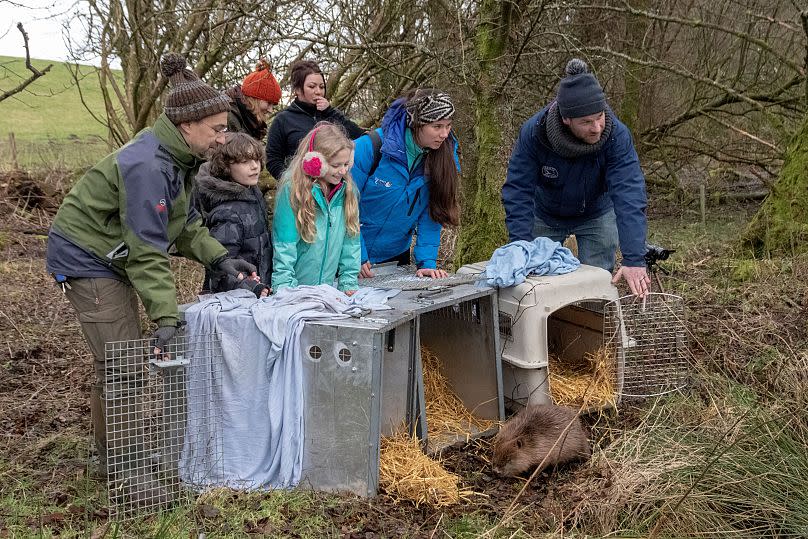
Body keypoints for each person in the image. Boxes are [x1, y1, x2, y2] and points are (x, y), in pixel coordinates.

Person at [45, 53, 257, 487]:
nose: (223, 139)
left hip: (113, 252)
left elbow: (182, 226)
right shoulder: (148, 166)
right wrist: (165, 316)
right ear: (187, 126)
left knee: (115, 362)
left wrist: (220, 258)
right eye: (217, 129)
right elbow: (147, 248)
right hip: (87, 256)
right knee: (123, 363)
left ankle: (111, 457)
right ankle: (127, 469)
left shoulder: (176, 160)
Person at [501, 58, 650, 297]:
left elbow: (629, 193)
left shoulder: (617, 137)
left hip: (596, 212)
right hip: (546, 213)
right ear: (566, 119)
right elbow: (518, 189)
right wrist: (520, 244)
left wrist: (634, 257)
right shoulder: (535, 133)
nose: (597, 128)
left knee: (596, 282)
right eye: (586, 122)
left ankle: (593, 326)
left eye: (600, 117)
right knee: (539, 284)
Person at [351, 89, 460, 278]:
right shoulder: (369, 148)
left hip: (395, 257)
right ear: (416, 124)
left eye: (448, 125)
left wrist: (426, 262)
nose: (444, 134)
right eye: (437, 126)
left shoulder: (443, 158)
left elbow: (432, 214)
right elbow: (343, 205)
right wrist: (355, 254)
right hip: (348, 254)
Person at [271, 122, 360, 293]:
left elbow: (351, 242)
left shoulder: (347, 191)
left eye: (346, 164)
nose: (342, 171)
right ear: (315, 162)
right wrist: (284, 288)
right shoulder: (293, 190)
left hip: (326, 290)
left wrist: (348, 282)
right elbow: (284, 244)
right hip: (295, 289)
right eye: (335, 165)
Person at [195, 132, 272, 296]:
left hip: (258, 292)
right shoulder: (227, 213)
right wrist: (251, 287)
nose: (254, 166)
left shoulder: (253, 195)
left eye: (257, 159)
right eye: (245, 161)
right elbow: (222, 269)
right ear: (225, 167)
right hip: (236, 300)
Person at [265, 60, 365, 180]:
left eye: (322, 87)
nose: (318, 91)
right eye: (312, 87)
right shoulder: (283, 119)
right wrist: (290, 181)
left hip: (333, 187)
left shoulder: (331, 114)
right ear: (297, 89)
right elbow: (272, 159)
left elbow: (360, 137)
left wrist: (330, 111)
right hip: (299, 188)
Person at [225, 58, 281, 141]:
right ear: (254, 98)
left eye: (273, 105)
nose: (270, 110)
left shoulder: (250, 123)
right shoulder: (227, 114)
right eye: (269, 103)